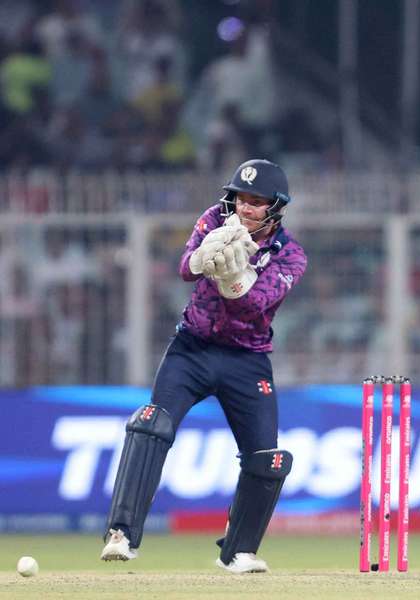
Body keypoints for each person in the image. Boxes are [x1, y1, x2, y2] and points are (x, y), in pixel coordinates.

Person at [100, 159, 307, 573]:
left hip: (247, 360)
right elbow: (184, 269)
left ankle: (239, 552)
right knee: (151, 424)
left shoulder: (291, 257)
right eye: (241, 198)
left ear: (275, 207)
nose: (246, 208)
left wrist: (234, 275)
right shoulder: (213, 219)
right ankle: (121, 534)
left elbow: (253, 304)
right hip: (191, 349)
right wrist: (201, 260)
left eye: (257, 201)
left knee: (267, 459)